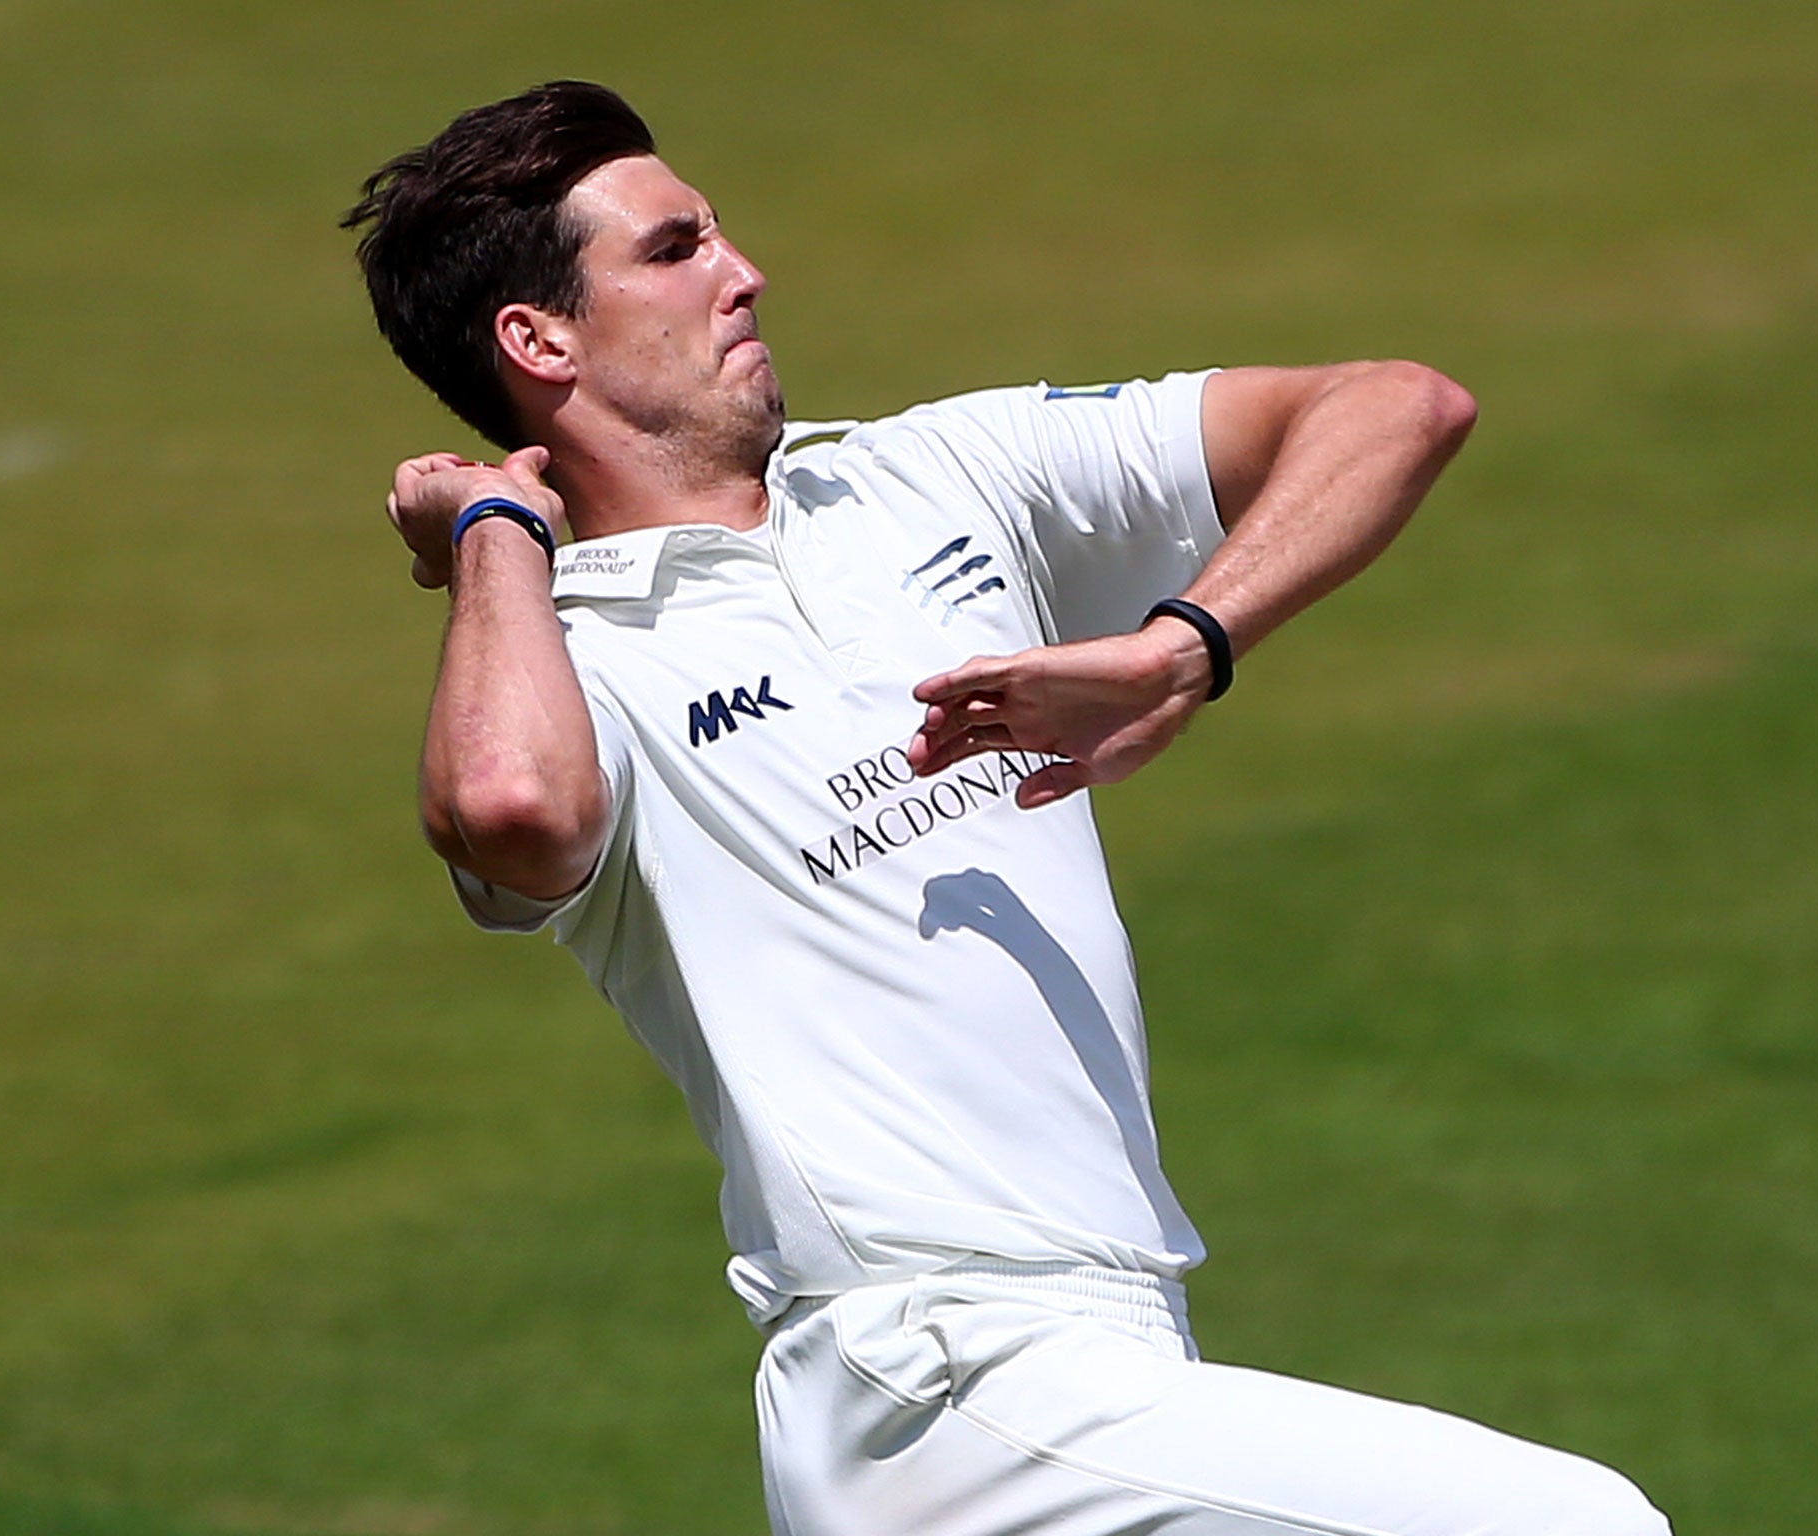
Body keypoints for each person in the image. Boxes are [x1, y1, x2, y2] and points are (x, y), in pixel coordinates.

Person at [345, 79, 1670, 1536]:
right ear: (538, 341)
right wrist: (489, 532)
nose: (745, 270)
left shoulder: (937, 476)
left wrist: (1185, 643)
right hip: (931, 1377)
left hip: (1109, 1344)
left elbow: (1397, 407)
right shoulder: (570, 657)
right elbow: (515, 808)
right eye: (674, 251)